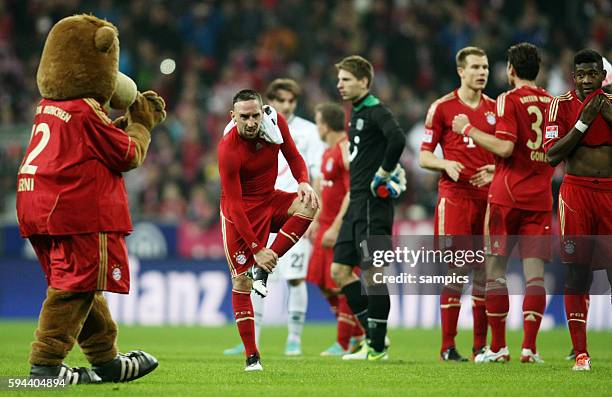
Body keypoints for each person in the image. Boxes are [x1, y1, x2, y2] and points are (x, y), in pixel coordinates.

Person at [452, 42, 553, 364]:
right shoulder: (552, 103)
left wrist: (467, 128)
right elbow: (554, 151)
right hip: (539, 198)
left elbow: (507, 148)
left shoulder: (508, 100)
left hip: (506, 198)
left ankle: (498, 348)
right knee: (534, 277)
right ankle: (530, 348)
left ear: (510, 70)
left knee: (494, 272)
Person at [217, 89, 319, 371]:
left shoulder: (276, 123)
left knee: (310, 204)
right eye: (244, 117)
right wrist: (256, 249)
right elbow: (235, 205)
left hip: (269, 200)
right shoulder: (228, 148)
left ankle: (263, 267)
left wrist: (303, 181)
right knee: (241, 283)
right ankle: (252, 357)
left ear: (263, 112)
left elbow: (294, 156)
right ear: (233, 117)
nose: (251, 122)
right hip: (240, 215)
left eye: (255, 115)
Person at [419, 46, 495, 362]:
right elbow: (423, 155)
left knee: (484, 272)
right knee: (457, 268)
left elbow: (507, 151)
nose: (482, 73)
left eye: (486, 67)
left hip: (489, 200)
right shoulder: (442, 108)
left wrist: (494, 170)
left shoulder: (496, 108)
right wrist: (444, 164)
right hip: (455, 198)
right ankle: (448, 347)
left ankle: (480, 348)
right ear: (460, 71)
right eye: (476, 67)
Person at [330, 55, 406, 361]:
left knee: (373, 273)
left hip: (374, 205)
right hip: (356, 202)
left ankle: (374, 348)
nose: (340, 84)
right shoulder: (357, 112)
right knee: (339, 271)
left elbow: (397, 139)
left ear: (363, 80)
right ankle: (376, 338)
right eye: (339, 80)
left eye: (346, 79)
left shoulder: (376, 110)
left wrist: (384, 173)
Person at [544, 49, 612, 371]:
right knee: (577, 271)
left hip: (610, 195)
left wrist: (606, 114)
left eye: (592, 74)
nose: (586, 80)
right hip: (576, 195)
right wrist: (583, 124)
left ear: (602, 75)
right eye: (580, 74)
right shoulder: (561, 105)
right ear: (574, 76)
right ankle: (581, 353)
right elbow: (552, 155)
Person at [306, 102, 366, 356]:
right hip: (325, 225)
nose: (317, 127)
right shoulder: (327, 151)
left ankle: (344, 341)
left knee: (341, 281)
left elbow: (353, 190)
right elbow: (320, 188)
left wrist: (337, 226)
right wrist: (315, 219)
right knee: (321, 281)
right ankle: (358, 334)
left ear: (326, 125)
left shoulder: (344, 149)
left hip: (341, 227)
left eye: (318, 122)